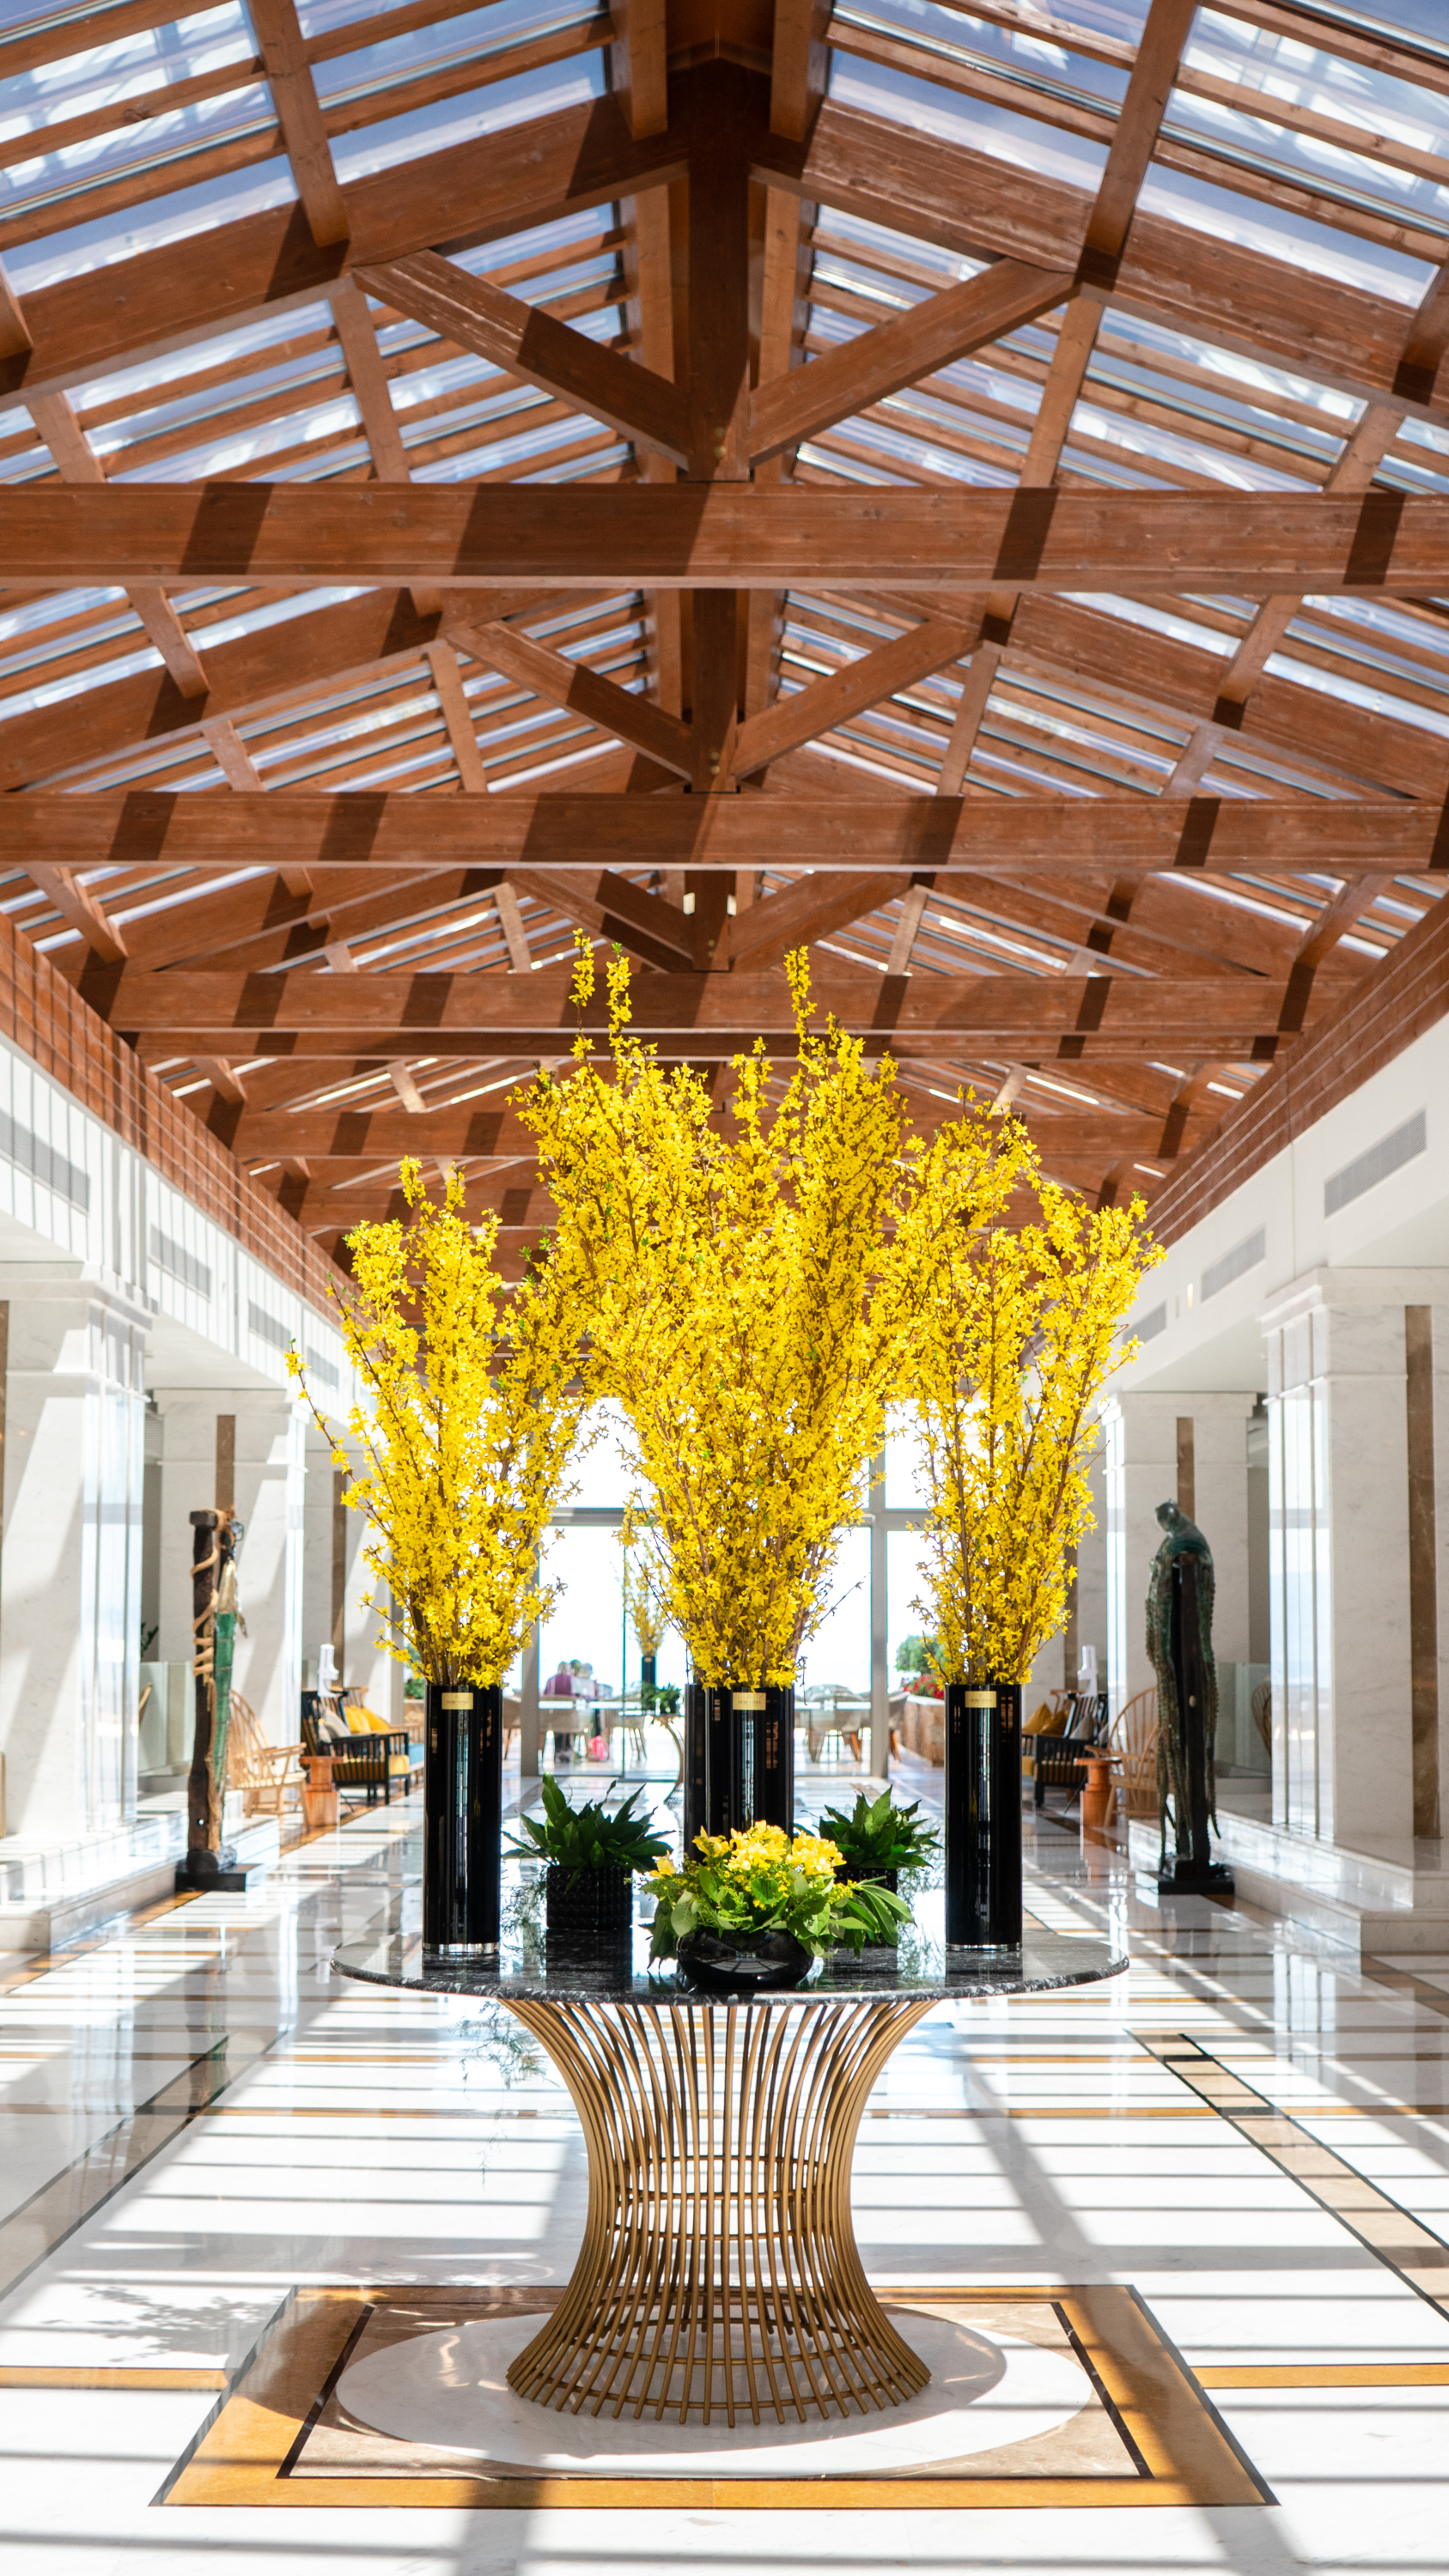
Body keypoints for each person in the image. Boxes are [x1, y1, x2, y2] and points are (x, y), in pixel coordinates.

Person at [543, 1657, 577, 1764]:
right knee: (570, 1725)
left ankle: (558, 1751)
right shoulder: (573, 1680)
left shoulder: (550, 1680)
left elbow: (545, 1696)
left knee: (557, 1727)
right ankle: (568, 1749)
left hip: (554, 1715)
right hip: (569, 1715)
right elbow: (578, 1696)